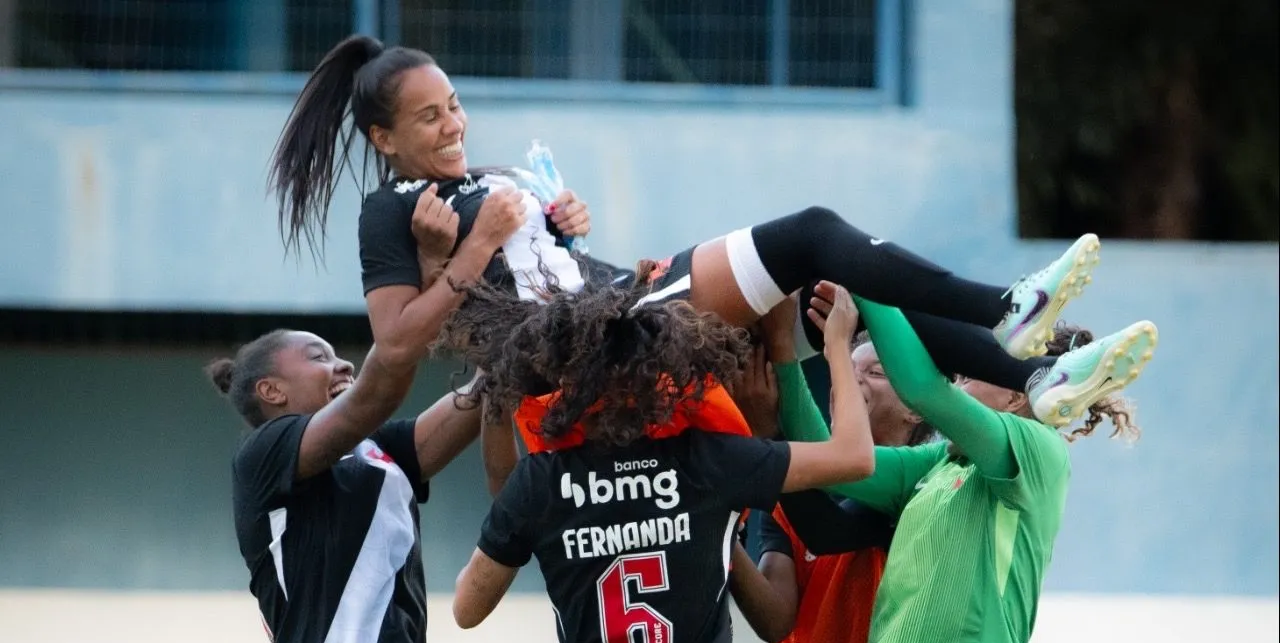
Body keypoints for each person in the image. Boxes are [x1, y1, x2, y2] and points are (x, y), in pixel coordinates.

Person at [268, 32, 1117, 430]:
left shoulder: (493, 180)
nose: (452, 124)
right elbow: (393, 344)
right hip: (582, 352)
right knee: (812, 234)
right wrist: (480, 247)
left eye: (452, 104)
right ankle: (1008, 310)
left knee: (829, 270)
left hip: (621, 303)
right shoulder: (390, 211)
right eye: (426, 118)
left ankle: (1028, 365)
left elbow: (552, 270)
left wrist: (568, 233)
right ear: (383, 139)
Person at [433, 277, 880, 643]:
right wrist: (837, 343)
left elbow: (466, 610)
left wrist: (497, 386)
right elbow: (856, 458)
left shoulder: (540, 482)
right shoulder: (706, 462)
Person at [796, 282, 1155, 643]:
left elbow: (924, 391)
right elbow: (825, 456)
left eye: (973, 371)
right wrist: (784, 355)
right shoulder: (940, 463)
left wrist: (866, 279)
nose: (960, 377)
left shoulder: (1040, 451)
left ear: (1018, 393)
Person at [206, 226, 515, 643]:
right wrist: (468, 252)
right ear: (272, 391)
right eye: (317, 357)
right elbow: (379, 386)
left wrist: (516, 297)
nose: (342, 364)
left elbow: (482, 394)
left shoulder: (376, 450)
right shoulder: (263, 457)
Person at [727, 302, 935, 643]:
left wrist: (770, 438)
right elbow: (775, 620)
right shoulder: (788, 486)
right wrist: (715, 525)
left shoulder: (922, 483)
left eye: (874, 373)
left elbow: (829, 531)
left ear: (917, 406)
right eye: (847, 368)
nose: (852, 380)